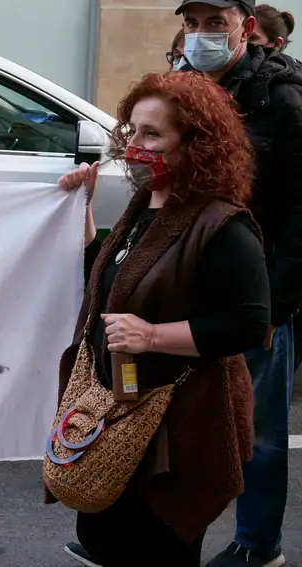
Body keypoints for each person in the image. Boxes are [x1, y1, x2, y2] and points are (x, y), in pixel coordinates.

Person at [55, 70, 268, 567]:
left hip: (182, 425)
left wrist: (152, 336)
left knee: (155, 547)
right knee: (104, 535)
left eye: (153, 134)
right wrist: (81, 212)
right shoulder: (143, 203)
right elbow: (113, 287)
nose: (134, 146)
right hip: (124, 412)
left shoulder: (222, 224)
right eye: (130, 130)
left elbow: (250, 323)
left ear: (197, 144)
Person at [176, 2, 302, 566]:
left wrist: (277, 303)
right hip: (187, 281)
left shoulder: (284, 99)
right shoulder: (180, 89)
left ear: (246, 28)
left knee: (260, 428)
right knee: (175, 416)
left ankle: (257, 544)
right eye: (192, 22)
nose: (200, 35)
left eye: (214, 23)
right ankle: (168, 533)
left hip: (258, 291)